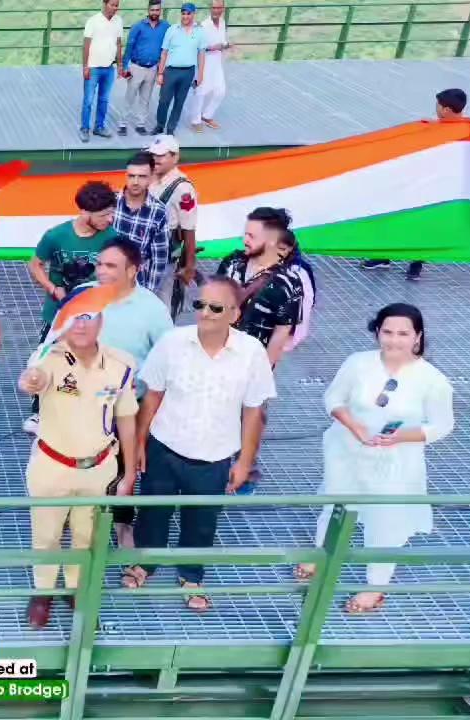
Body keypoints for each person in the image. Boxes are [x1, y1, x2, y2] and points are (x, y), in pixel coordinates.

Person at [124, 278, 275, 611]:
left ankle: (191, 575)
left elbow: (253, 412)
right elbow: (152, 398)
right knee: (152, 513)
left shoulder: (251, 353)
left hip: (215, 456)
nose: (205, 313)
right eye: (200, 305)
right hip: (164, 448)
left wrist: (245, 462)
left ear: (235, 314)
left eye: (215, 308)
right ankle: (146, 563)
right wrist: (137, 446)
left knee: (202, 521)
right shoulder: (172, 343)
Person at [295, 304, 454, 614]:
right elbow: (333, 398)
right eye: (388, 332)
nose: (394, 340)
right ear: (377, 332)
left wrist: (400, 437)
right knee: (334, 504)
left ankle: (375, 586)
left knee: (385, 522)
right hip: (347, 452)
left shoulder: (432, 380)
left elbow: (442, 425)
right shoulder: (358, 364)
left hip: (394, 463)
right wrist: (355, 426)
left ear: (417, 337)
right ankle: (321, 555)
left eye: (403, 333)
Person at [18, 287, 138, 629]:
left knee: (89, 535)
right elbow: (32, 380)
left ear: (102, 320)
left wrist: (128, 472)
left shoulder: (120, 366)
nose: (81, 325)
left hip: (98, 468)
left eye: (88, 317)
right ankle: (43, 594)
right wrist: (30, 380)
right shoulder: (47, 358)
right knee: (47, 536)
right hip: (52, 466)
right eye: (73, 318)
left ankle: (75, 590)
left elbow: (126, 418)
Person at [79, 239, 172, 548]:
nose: (101, 272)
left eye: (110, 266)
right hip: (83, 402)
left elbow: (168, 361)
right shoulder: (83, 297)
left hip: (128, 406)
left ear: (133, 270)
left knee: (122, 468)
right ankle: (79, 517)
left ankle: (121, 524)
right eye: (100, 264)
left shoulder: (152, 310)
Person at [25, 180, 117, 433]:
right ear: (85, 212)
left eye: (111, 213)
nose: (109, 219)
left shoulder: (113, 239)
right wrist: (53, 289)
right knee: (48, 358)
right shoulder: (56, 235)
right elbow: (35, 264)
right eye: (103, 215)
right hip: (58, 314)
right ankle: (39, 411)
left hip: (94, 315)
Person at [361, 89, 467, 279]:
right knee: (408, 219)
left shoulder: (452, 131)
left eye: (438, 105)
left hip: (436, 187)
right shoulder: (459, 129)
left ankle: (410, 261)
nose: (435, 108)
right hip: (427, 184)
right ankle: (392, 257)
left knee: (414, 221)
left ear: (446, 109)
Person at [215, 207, 304, 368]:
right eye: (245, 234)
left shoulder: (288, 283)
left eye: (251, 236)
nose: (245, 240)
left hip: (249, 368)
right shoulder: (231, 263)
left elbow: (281, 334)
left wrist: (263, 375)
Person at [147, 134, 198, 318]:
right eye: (153, 154)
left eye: (161, 155)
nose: (155, 159)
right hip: (143, 254)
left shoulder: (183, 189)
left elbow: (189, 229)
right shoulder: (149, 176)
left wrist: (190, 265)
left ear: (175, 157)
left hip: (164, 256)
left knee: (161, 304)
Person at [113, 151, 170, 295]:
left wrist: (148, 295)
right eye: (131, 176)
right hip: (103, 281)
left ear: (151, 177)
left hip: (135, 286)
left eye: (142, 176)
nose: (136, 182)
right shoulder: (110, 202)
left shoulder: (159, 212)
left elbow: (159, 259)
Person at [118, 0, 169, 136]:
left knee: (145, 98)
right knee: (130, 96)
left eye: (157, 10)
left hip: (152, 68)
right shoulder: (138, 26)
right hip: (136, 67)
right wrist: (124, 66)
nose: (155, 13)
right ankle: (122, 124)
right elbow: (129, 46)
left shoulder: (165, 27)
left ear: (160, 11)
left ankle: (140, 124)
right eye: (152, 10)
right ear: (148, 10)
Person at [153, 3, 204, 136]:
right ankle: (160, 125)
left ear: (193, 14)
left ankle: (171, 128)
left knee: (179, 101)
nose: (185, 16)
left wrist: (200, 75)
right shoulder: (172, 30)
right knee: (164, 100)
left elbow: (201, 54)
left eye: (188, 13)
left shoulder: (199, 32)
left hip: (188, 72)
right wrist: (160, 73)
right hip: (171, 71)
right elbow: (164, 52)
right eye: (183, 13)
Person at [80, 0, 123, 142]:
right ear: (105, 4)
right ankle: (84, 128)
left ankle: (99, 127)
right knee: (88, 100)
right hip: (93, 68)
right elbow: (86, 45)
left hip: (109, 68)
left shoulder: (118, 21)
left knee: (104, 100)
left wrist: (120, 64)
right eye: (112, 4)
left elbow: (118, 43)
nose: (115, 8)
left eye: (117, 5)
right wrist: (85, 66)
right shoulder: (93, 21)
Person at [188, 0, 229, 132]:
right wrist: (214, 47)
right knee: (201, 92)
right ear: (210, 9)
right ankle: (195, 121)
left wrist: (227, 45)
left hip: (217, 62)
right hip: (205, 62)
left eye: (219, 8)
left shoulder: (222, 23)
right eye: (214, 8)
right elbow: (199, 47)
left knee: (221, 91)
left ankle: (207, 115)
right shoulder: (204, 26)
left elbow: (222, 41)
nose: (216, 10)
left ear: (223, 8)